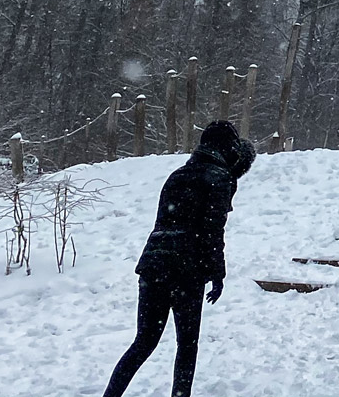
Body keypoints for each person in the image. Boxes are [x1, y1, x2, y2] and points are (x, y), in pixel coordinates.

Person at [103, 120, 255, 397]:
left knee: (144, 341)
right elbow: (212, 230)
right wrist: (218, 273)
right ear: (228, 148)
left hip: (153, 264)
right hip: (187, 268)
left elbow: (166, 221)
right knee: (187, 345)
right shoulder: (219, 178)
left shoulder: (177, 174)